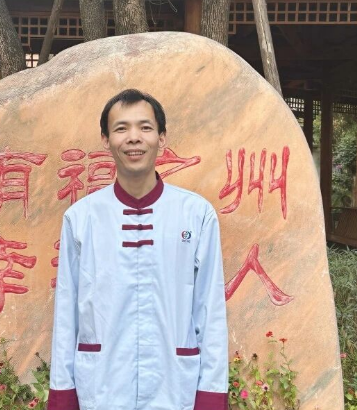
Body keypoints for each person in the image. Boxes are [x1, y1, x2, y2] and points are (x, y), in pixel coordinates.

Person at [48, 89, 229, 410]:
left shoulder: (196, 214)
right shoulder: (81, 218)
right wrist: (63, 394)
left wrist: (211, 396)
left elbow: (210, 310)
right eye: (121, 128)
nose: (134, 137)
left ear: (162, 137)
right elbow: (66, 314)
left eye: (145, 127)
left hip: (174, 385)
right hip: (102, 387)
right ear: (105, 139)